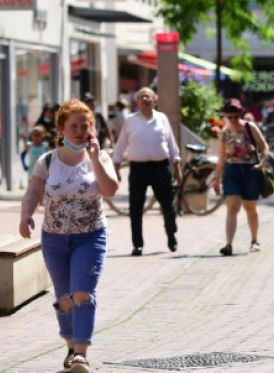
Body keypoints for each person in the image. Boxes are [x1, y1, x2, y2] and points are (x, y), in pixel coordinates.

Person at [18, 99, 119, 373]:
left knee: (82, 293)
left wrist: (96, 158)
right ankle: (70, 346)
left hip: (91, 236)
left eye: (84, 126)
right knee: (64, 297)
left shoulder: (100, 158)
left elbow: (109, 190)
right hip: (55, 238)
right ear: (61, 129)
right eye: (73, 126)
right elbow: (33, 192)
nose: (79, 131)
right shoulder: (48, 160)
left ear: (91, 129)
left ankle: (81, 354)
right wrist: (26, 214)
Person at [112, 87, 182, 256]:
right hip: (138, 169)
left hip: (160, 167)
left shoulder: (162, 118)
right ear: (137, 102)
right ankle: (138, 244)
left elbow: (171, 144)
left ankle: (171, 234)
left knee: (167, 205)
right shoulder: (130, 120)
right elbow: (121, 145)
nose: (145, 99)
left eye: (148, 96)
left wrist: (176, 166)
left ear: (154, 100)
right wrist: (116, 168)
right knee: (135, 208)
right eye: (141, 97)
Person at [213, 99, 270, 255]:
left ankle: (254, 240)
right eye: (229, 117)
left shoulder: (249, 127)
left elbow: (264, 146)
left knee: (250, 208)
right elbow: (221, 157)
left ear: (240, 114)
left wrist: (262, 162)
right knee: (232, 206)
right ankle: (229, 244)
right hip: (231, 170)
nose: (232, 120)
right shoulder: (224, 132)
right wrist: (217, 180)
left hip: (250, 169)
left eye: (235, 116)